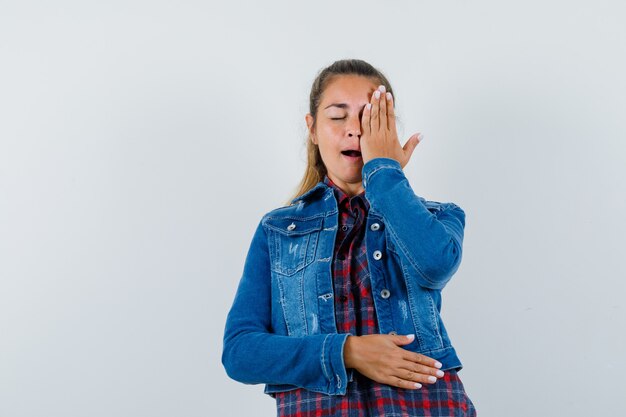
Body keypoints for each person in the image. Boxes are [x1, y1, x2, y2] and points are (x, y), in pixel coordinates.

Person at [222, 59, 477, 416]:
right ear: (312, 128)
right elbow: (240, 352)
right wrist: (347, 352)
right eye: (338, 117)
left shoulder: (440, 216)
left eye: (371, 119)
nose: (355, 131)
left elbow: (434, 265)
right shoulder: (277, 231)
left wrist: (384, 172)